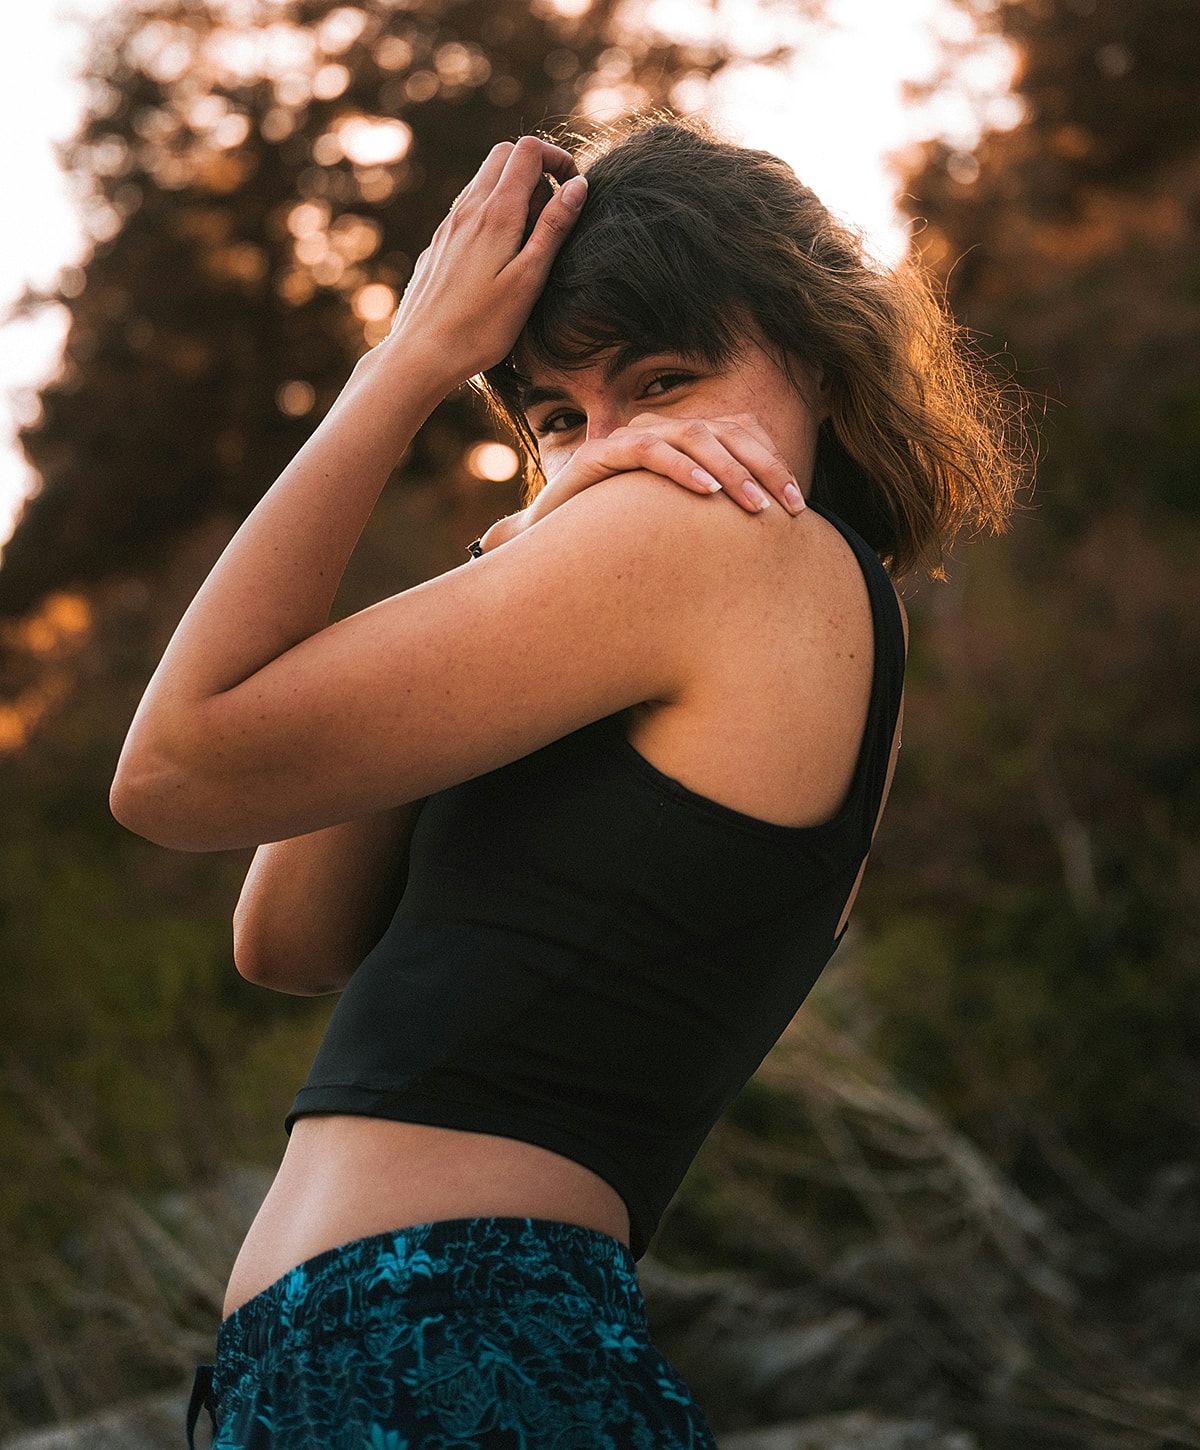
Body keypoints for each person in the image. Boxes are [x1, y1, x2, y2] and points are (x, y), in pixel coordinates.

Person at [111, 114, 1019, 1449]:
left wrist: (404, 363)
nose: (600, 447)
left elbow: (175, 769)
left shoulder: (730, 540)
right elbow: (289, 938)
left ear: (820, 360)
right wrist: (515, 545)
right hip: (412, 1364)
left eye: (662, 380)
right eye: (555, 418)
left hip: (455, 1355)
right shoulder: (736, 600)